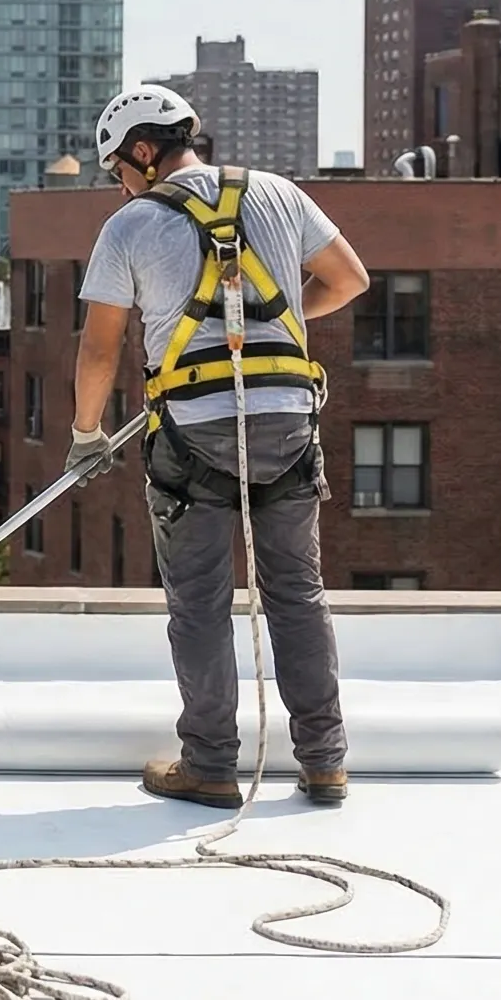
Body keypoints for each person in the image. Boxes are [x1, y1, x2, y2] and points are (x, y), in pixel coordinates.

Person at [66, 86, 371, 809]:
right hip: (288, 420)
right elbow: (349, 280)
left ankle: (209, 765)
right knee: (297, 595)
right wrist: (282, 320)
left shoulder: (131, 224)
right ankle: (324, 762)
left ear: (143, 151)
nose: (119, 183)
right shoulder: (279, 194)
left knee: (200, 602)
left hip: (194, 430)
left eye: (118, 169)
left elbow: (100, 349)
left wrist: (87, 436)